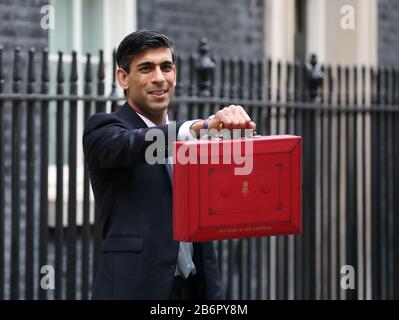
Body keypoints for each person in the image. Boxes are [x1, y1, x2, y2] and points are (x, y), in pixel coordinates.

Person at [83, 30, 256, 300]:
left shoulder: (191, 139)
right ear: (123, 78)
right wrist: (199, 128)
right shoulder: (104, 129)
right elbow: (135, 145)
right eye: (146, 68)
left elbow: (206, 230)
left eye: (166, 67)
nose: (159, 78)